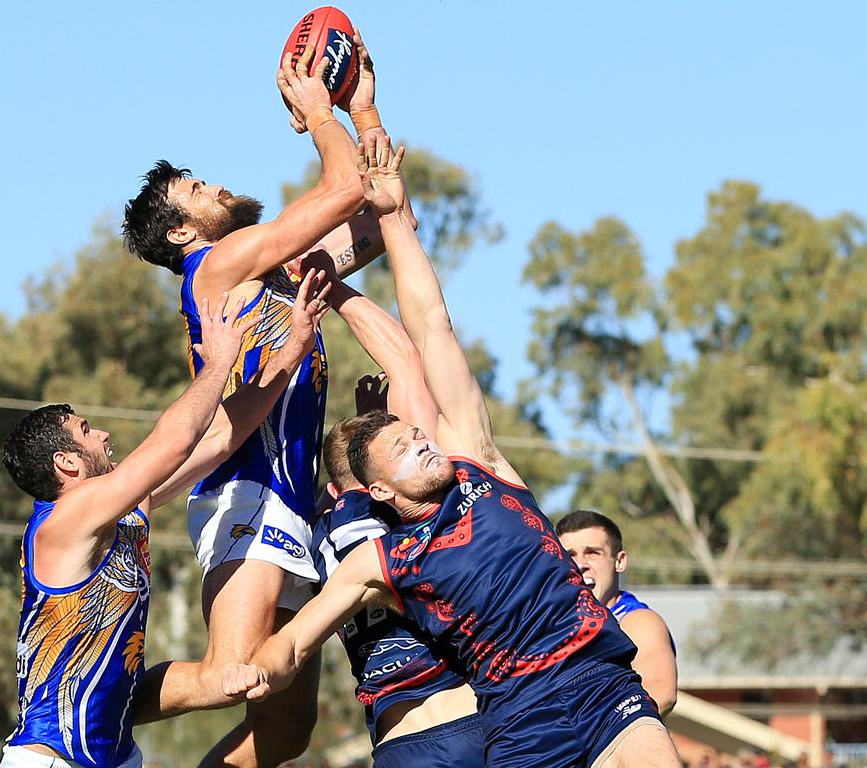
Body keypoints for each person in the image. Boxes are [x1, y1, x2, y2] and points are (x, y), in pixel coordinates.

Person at [222, 138, 681, 768]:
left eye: (413, 433)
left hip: (603, 688)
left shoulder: (480, 464)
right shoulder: (382, 559)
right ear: (378, 492)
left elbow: (431, 325)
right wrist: (262, 671)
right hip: (518, 719)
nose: (418, 437)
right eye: (401, 448)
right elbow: (295, 642)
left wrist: (392, 213)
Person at [122, 36, 413, 768]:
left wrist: (363, 109)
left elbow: (377, 216)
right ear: (182, 232)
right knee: (231, 673)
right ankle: (78, 706)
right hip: (246, 488)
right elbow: (344, 188)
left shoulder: (272, 268)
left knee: (285, 735)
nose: (216, 187)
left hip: (290, 495)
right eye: (196, 191)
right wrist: (319, 110)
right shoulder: (216, 264)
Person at [0, 279, 327, 768]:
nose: (105, 433)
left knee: (225, 684)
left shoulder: (127, 508)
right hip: (50, 761)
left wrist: (294, 349)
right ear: (66, 464)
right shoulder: (64, 521)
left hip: (119, 757)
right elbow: (173, 442)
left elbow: (218, 437)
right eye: (88, 431)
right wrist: (217, 363)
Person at [306, 254, 483, 767]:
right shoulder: (387, 509)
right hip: (465, 712)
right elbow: (407, 360)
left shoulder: (313, 532)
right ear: (376, 485)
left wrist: (362, 429)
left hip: (395, 737)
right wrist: (333, 287)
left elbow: (339, 488)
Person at [556, 510, 678, 715]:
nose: (580, 565)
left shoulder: (637, 621)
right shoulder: (550, 623)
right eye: (570, 556)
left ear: (619, 561)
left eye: (592, 553)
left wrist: (581, 725)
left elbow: (661, 692)